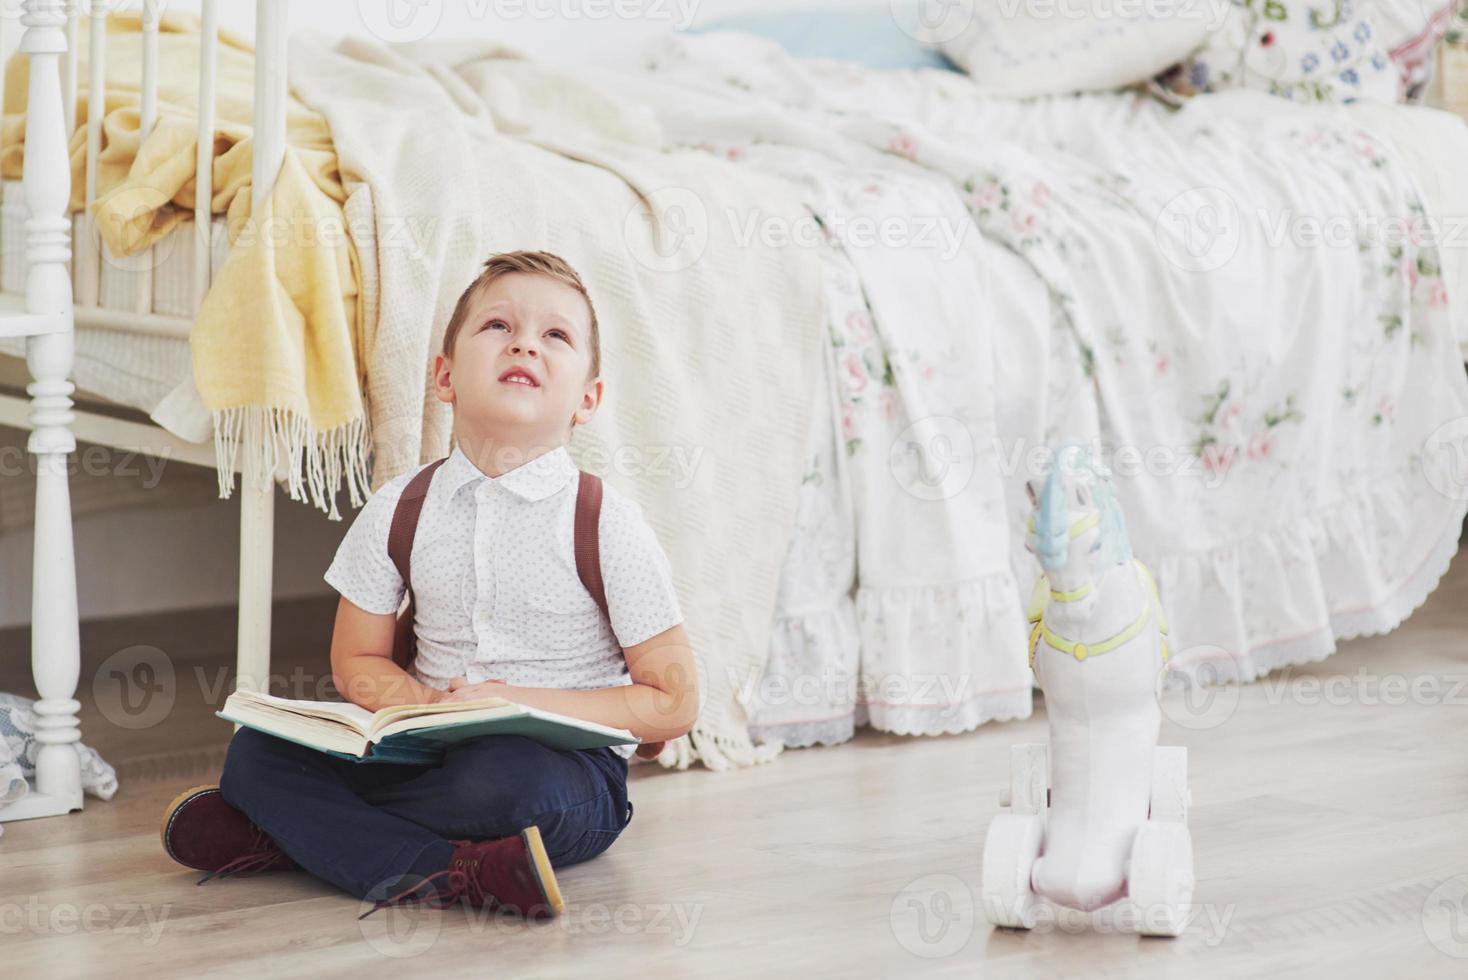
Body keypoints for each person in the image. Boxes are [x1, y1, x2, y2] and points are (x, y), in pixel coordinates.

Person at [159, 251, 699, 918]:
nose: (525, 340)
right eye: (498, 325)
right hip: (423, 751)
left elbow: (672, 700)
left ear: (587, 399)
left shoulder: (605, 521)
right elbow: (356, 659)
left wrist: (509, 701)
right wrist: (424, 708)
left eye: (555, 335)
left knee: (501, 783)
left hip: (560, 775)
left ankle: (291, 833)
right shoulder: (398, 507)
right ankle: (454, 874)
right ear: (444, 376)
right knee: (254, 755)